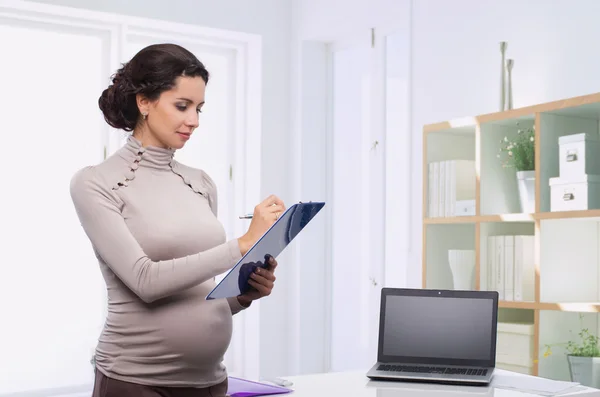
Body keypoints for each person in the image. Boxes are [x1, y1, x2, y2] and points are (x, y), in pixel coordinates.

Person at [70, 43, 285, 397]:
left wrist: (243, 294)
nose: (194, 121)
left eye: (199, 108)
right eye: (182, 106)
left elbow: (198, 292)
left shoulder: (201, 183)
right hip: (135, 382)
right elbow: (145, 281)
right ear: (144, 102)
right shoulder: (96, 182)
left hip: (211, 382)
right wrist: (243, 244)